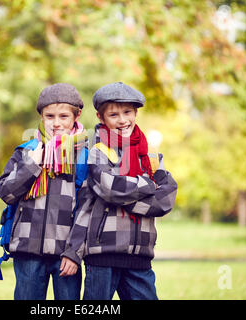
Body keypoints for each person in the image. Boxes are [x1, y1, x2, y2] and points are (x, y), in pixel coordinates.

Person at [62, 82, 178, 300]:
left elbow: (166, 199)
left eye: (127, 112)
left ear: (135, 113)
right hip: (102, 255)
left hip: (139, 256)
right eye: (114, 114)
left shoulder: (150, 158)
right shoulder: (98, 152)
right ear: (101, 117)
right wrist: (147, 185)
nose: (122, 120)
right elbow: (109, 187)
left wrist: (121, 197)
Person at [0, 83, 88, 300]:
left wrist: (74, 253)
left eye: (64, 116)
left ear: (76, 116)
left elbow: (87, 211)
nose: (56, 123)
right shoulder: (26, 151)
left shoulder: (85, 157)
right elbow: (5, 192)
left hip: (66, 255)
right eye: (50, 116)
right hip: (27, 251)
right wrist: (32, 166)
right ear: (41, 116)